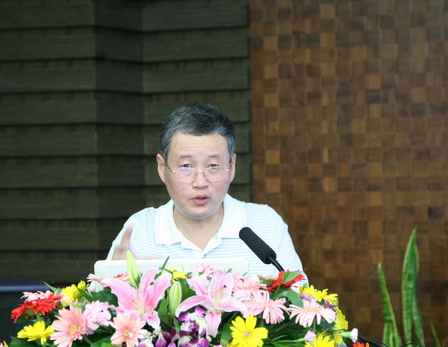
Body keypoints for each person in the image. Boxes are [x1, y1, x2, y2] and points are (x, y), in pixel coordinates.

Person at [106, 102, 304, 279]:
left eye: (213, 166)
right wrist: (115, 285)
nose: (200, 182)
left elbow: (301, 303)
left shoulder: (265, 226)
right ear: (161, 167)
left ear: (232, 166)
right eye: (186, 166)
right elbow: (98, 305)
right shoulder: (140, 231)